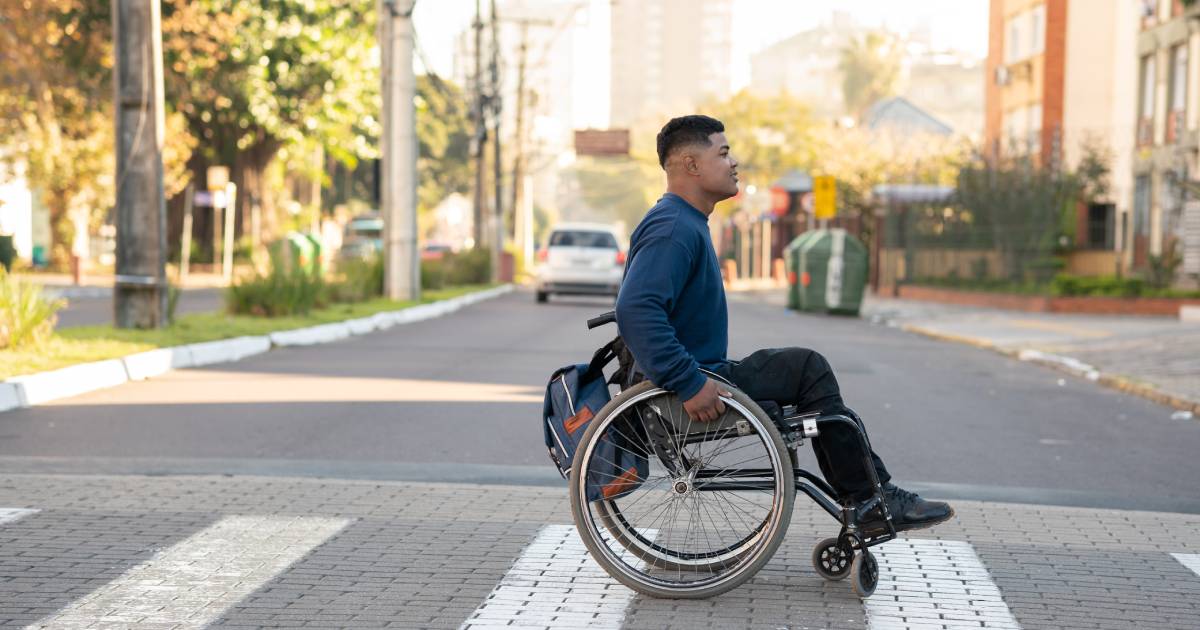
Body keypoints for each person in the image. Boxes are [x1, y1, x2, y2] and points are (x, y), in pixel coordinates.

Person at [614, 114, 953, 532]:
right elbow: (636, 309)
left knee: (812, 383)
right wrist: (688, 382)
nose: (734, 162)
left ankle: (868, 497)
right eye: (723, 153)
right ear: (691, 165)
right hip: (690, 384)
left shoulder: (683, 221)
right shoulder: (673, 227)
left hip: (697, 373)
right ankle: (869, 499)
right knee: (807, 369)